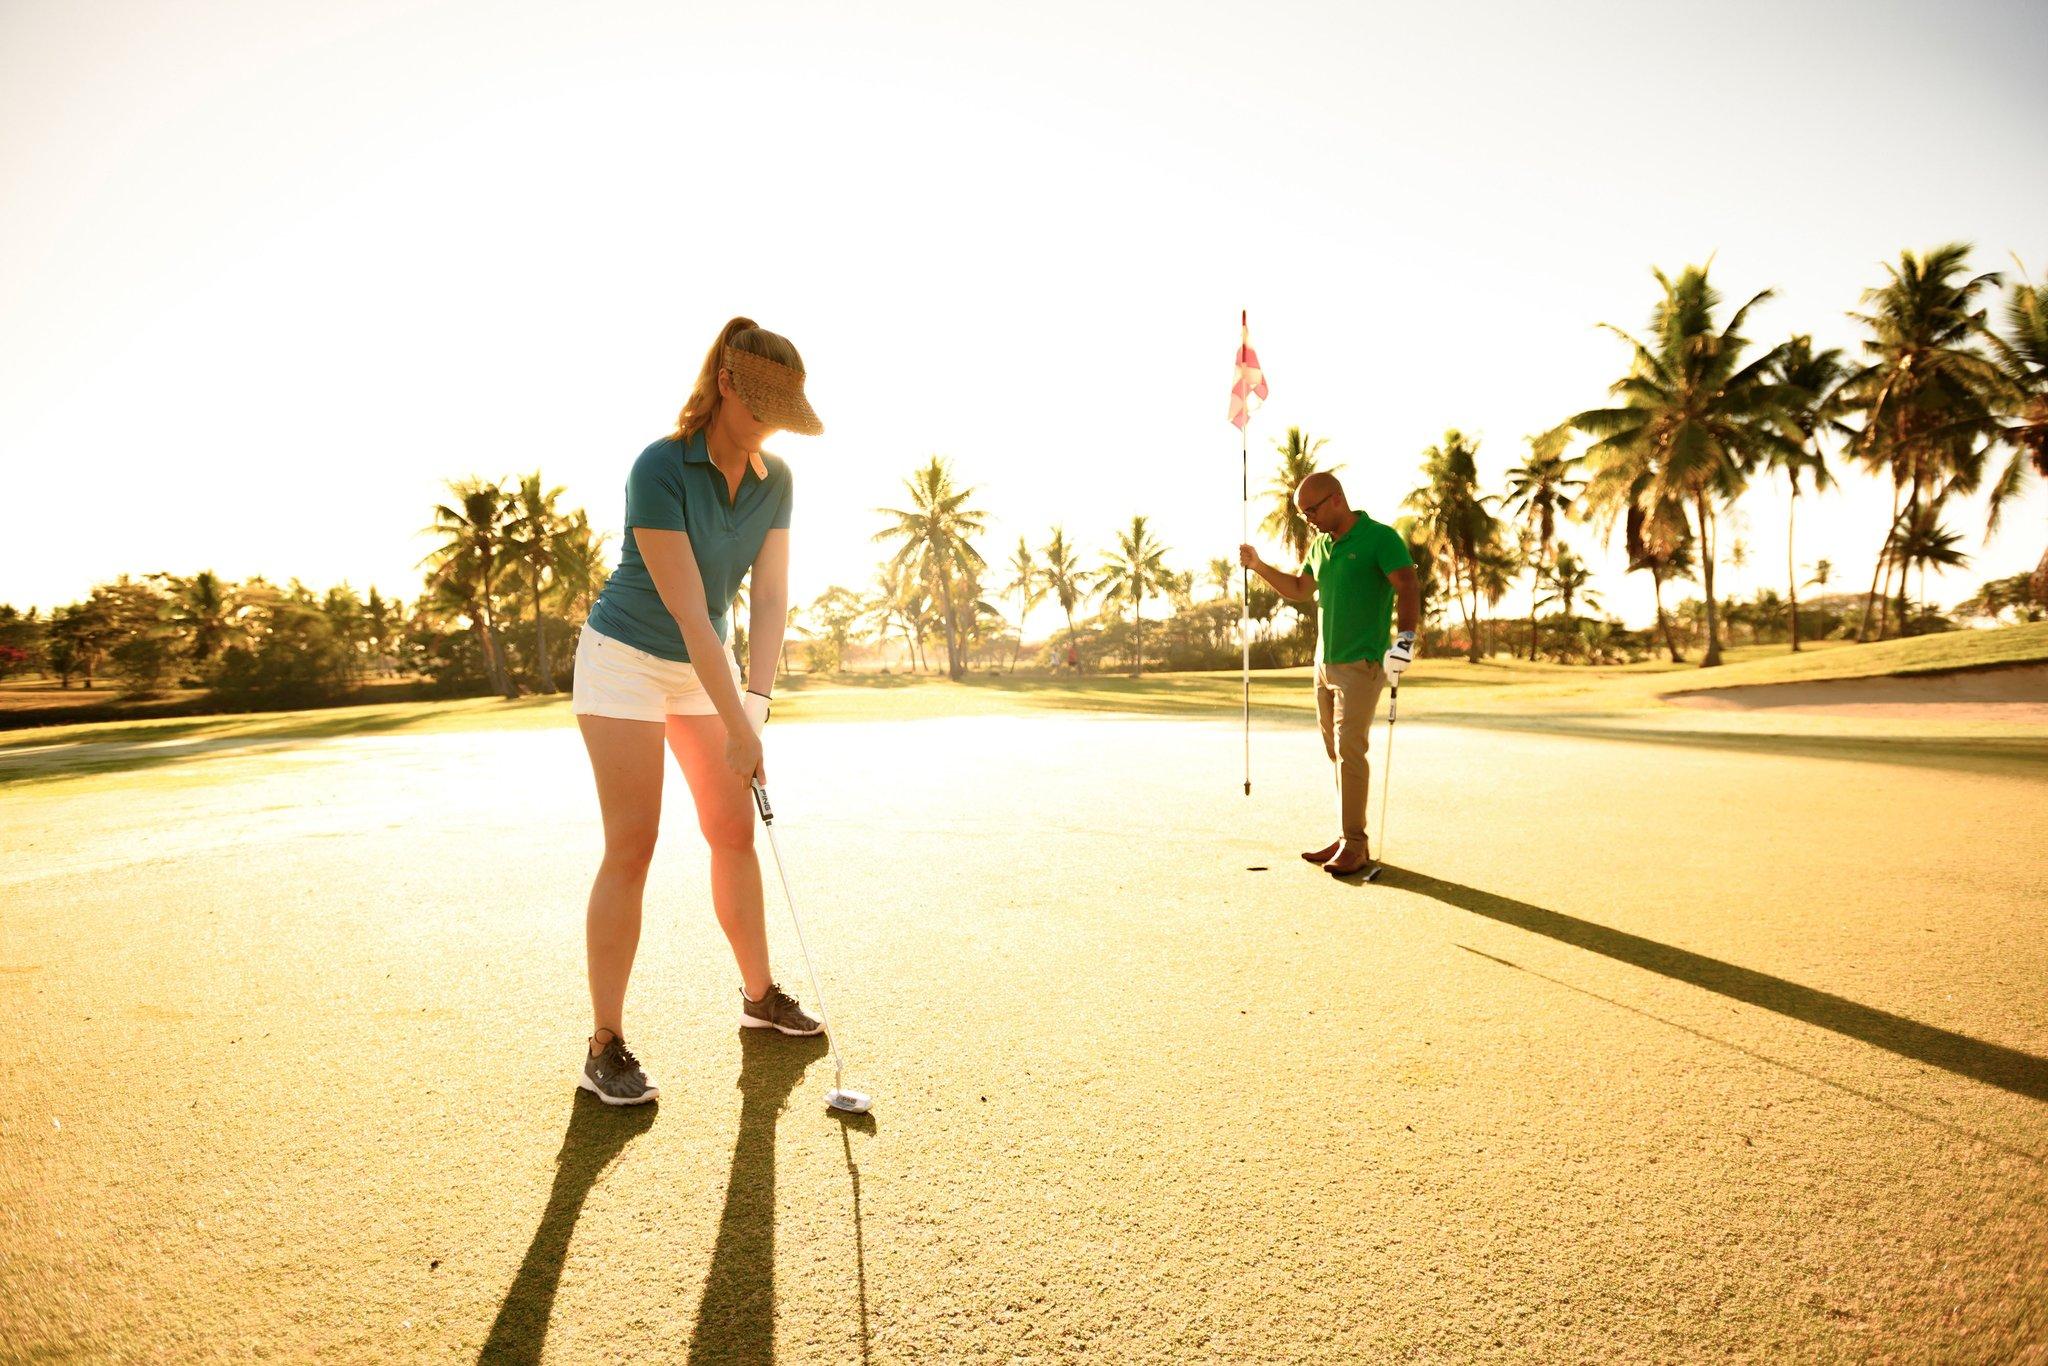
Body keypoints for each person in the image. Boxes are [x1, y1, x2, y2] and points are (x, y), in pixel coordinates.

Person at [568, 317, 826, 1105]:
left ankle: (759, 997)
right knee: (634, 843)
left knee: (730, 831)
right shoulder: (659, 468)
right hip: (625, 663)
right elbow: (684, 610)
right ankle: (604, 1043)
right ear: (724, 386)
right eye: (758, 410)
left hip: (702, 668)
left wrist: (757, 704)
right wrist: (740, 728)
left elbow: (771, 595)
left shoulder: (775, 478)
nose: (766, 429)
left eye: (780, 417)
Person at [1239, 470, 1420, 877]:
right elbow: (1302, 589)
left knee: (1350, 752)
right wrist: (1258, 565)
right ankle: (1345, 836)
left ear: (1336, 499)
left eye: (1312, 511)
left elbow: (1408, 584)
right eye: (1303, 514)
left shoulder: (1380, 538)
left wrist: (1406, 640)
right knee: (1337, 755)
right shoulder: (1321, 546)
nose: (1309, 520)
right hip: (1324, 664)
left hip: (1362, 663)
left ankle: (1355, 844)